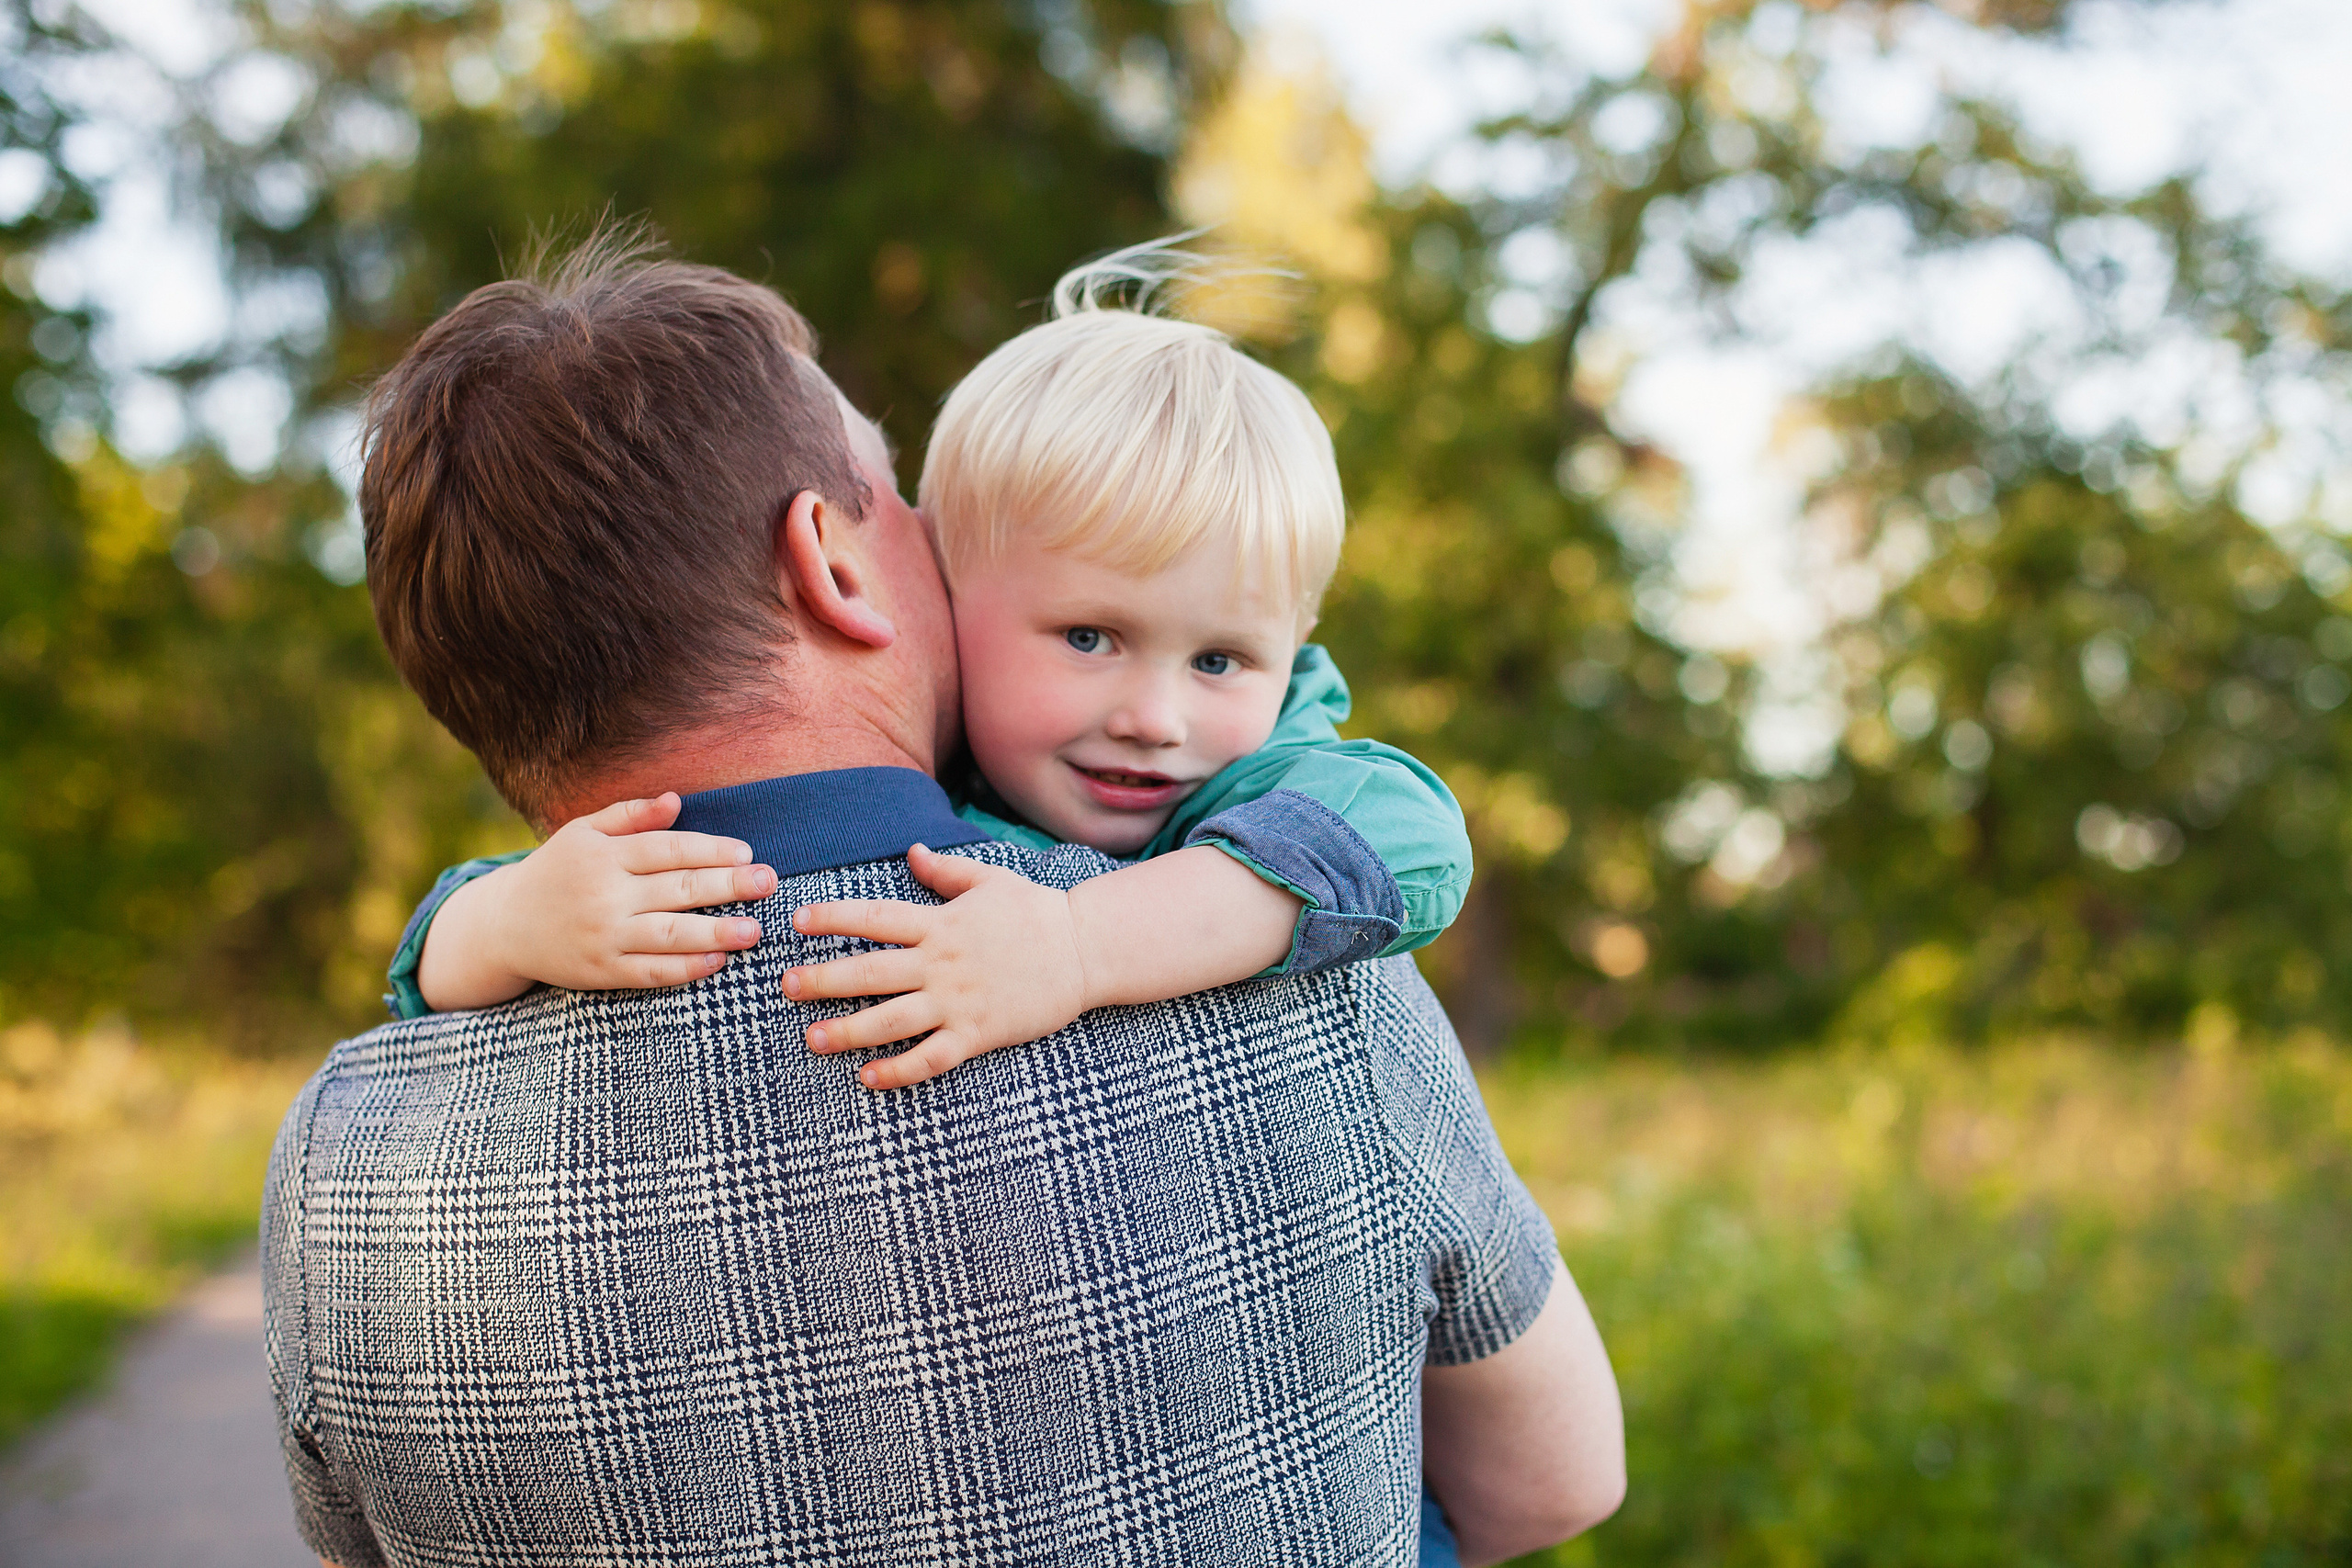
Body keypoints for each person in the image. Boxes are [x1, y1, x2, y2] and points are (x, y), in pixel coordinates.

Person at [261, 230, 1623, 1567]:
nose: (1151, 713)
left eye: (1217, 657)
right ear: (834, 565)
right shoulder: (1303, 987)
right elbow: (1557, 1481)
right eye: (901, 502)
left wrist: (489, 928)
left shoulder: (342, 1169)